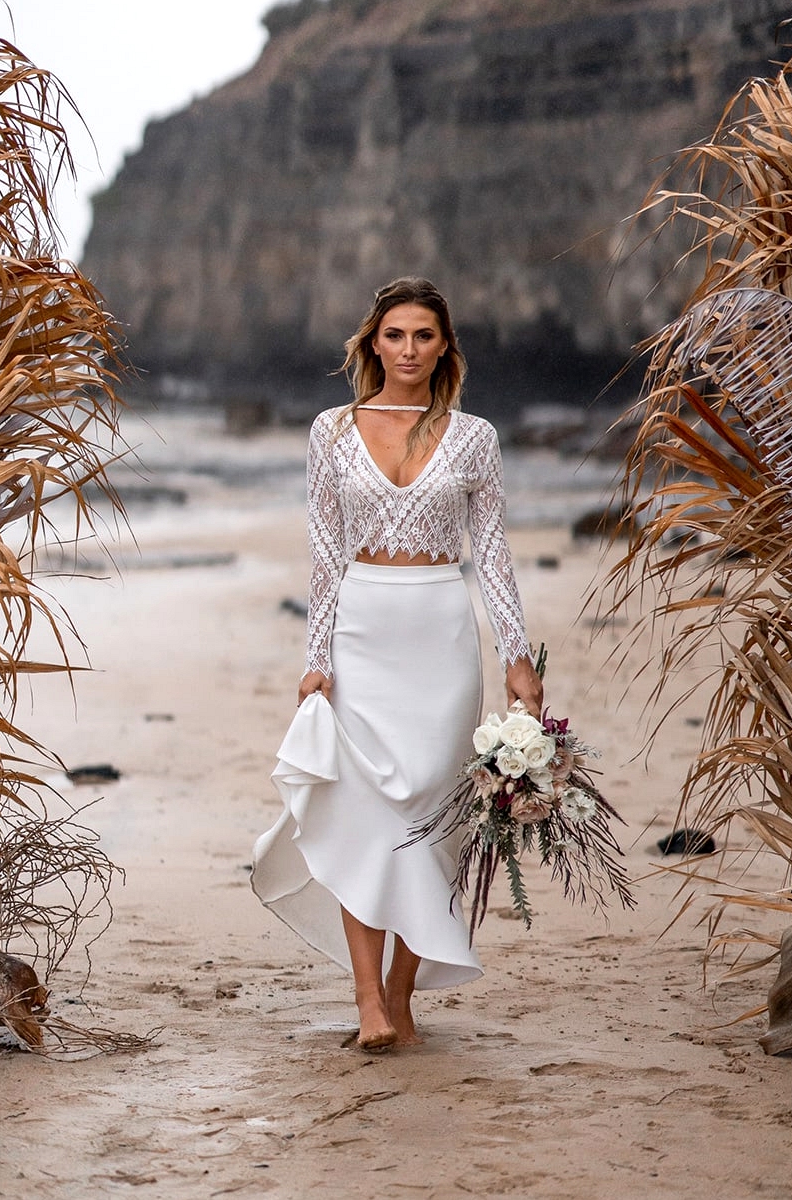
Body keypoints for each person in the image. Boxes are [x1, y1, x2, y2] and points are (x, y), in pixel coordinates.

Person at [252, 276, 542, 1051]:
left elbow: (491, 553)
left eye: (423, 336)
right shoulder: (332, 430)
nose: (408, 349)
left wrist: (517, 656)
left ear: (443, 345)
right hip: (362, 631)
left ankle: (401, 995)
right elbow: (322, 556)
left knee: (430, 817)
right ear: (371, 343)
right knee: (367, 814)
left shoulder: (474, 436)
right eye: (394, 335)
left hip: (440, 634)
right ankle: (366, 1002)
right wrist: (315, 659)